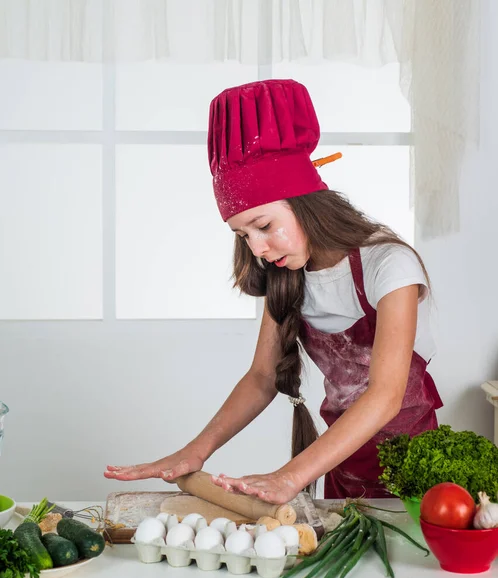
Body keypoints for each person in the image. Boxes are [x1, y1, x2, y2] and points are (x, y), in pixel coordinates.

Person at [104, 79, 443, 502]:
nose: (258, 250)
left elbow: (386, 395)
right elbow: (262, 377)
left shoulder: (389, 265)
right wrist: (195, 452)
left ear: (305, 202)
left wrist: (288, 477)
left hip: (417, 475)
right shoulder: (288, 275)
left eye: (263, 226)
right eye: (243, 235)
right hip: (341, 469)